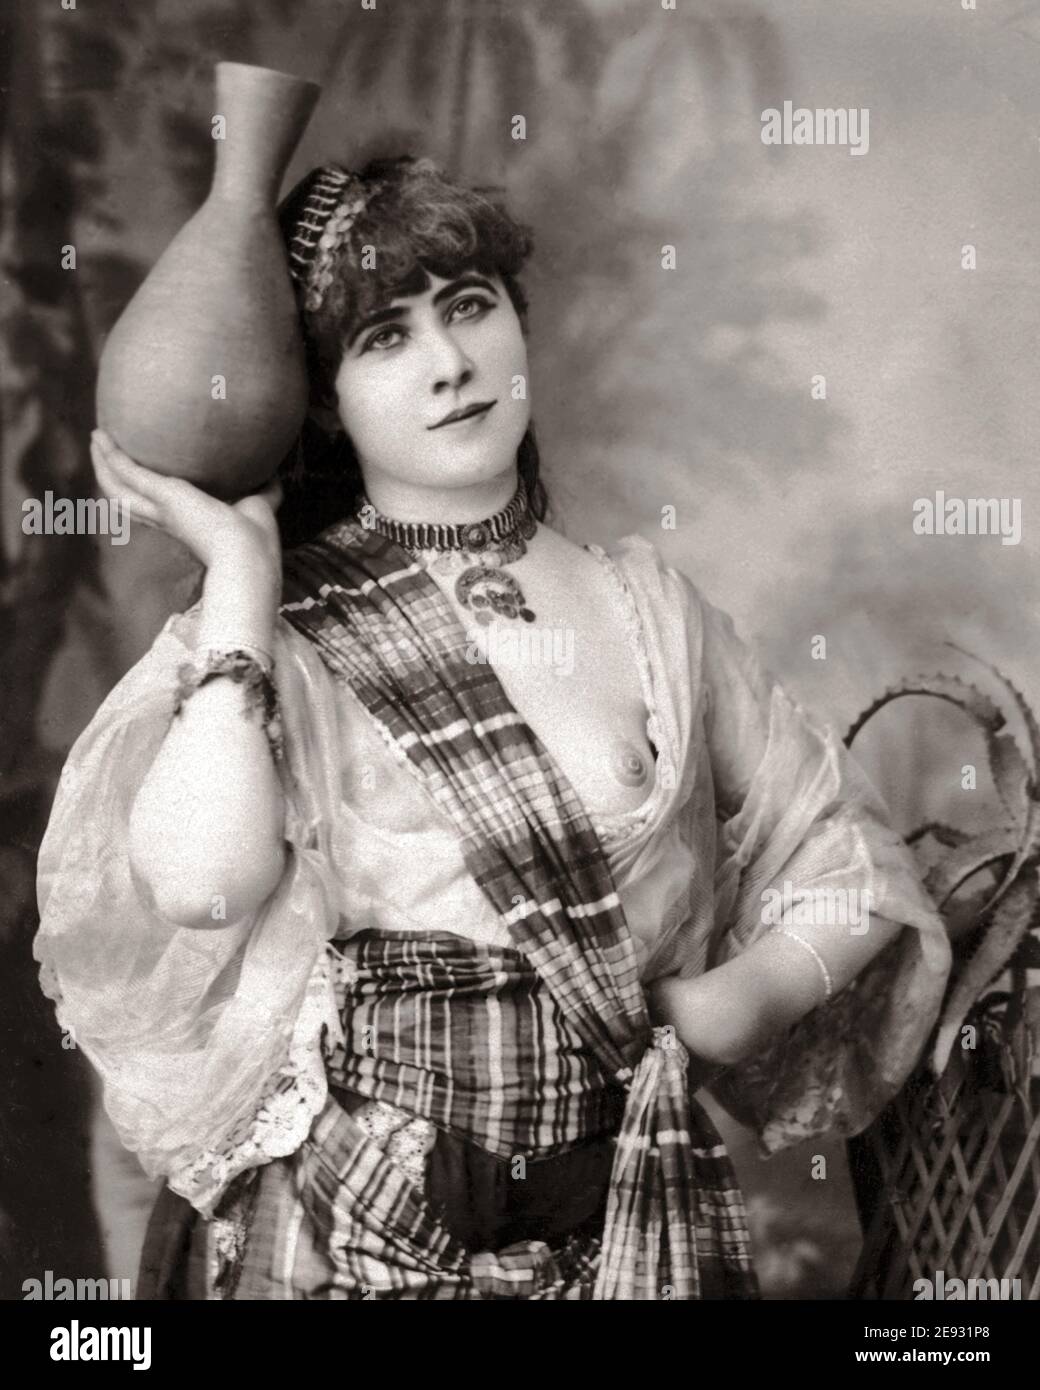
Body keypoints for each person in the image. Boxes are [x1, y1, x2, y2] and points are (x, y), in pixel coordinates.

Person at [34, 155, 952, 1300]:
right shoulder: (282, 626)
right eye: (385, 337)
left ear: (516, 321)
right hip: (337, 1236)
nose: (450, 365)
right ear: (324, 396)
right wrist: (238, 571)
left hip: (614, 1230)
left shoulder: (647, 608)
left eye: (469, 308)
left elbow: (847, 859)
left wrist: (739, 999)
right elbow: (198, 886)